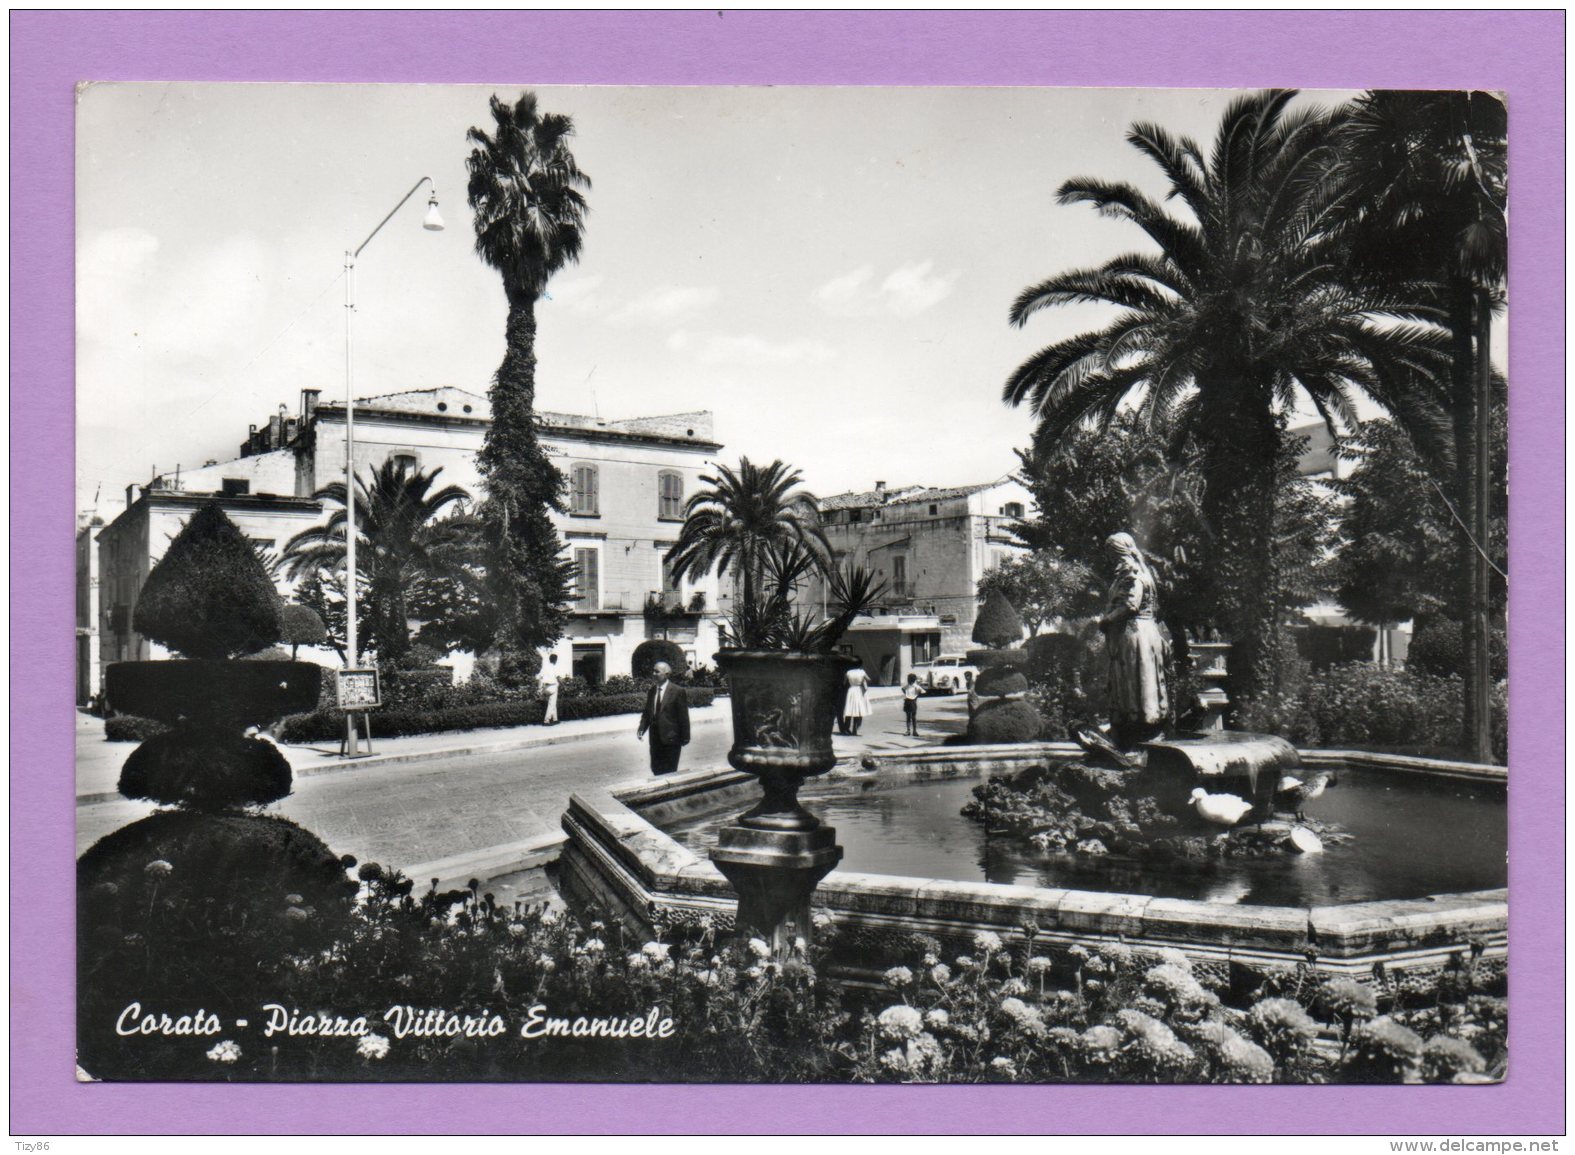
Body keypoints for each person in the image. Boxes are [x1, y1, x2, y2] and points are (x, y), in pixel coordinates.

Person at [1099, 531, 1170, 749]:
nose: (1110, 558)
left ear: (1118, 552)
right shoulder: (1139, 572)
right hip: (1144, 632)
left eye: (1111, 553)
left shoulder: (1132, 573)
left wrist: (1107, 620)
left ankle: (1137, 734)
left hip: (1135, 634)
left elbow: (1131, 605)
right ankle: (1140, 730)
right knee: (1140, 680)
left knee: (1135, 680)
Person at [637, 661, 690, 775]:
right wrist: (641, 730)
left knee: (670, 771)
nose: (653, 674)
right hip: (655, 739)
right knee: (656, 769)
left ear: (666, 674)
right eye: (653, 671)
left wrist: (685, 737)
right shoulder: (652, 691)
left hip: (671, 740)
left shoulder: (677, 691)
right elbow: (647, 713)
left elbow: (683, 717)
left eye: (657, 671)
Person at [842, 657, 871, 736]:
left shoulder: (848, 672)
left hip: (851, 690)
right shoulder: (862, 672)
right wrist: (862, 680)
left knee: (849, 709)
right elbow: (868, 679)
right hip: (859, 690)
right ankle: (856, 729)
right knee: (858, 710)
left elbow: (844, 683)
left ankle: (846, 728)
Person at [901, 672, 923, 737]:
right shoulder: (913, 686)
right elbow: (920, 692)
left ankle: (911, 731)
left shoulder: (911, 686)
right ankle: (912, 731)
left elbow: (903, 689)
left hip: (909, 702)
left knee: (910, 717)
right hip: (911, 702)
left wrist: (908, 695)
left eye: (909, 680)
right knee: (912, 717)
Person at [542, 653, 562, 726]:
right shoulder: (554, 667)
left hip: (546, 687)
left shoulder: (545, 667)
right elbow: (558, 677)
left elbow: (540, 677)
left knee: (553, 703)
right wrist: (563, 684)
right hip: (553, 686)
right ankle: (546, 720)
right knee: (551, 704)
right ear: (555, 660)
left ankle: (555, 719)